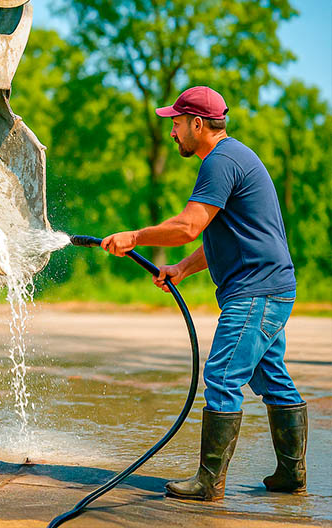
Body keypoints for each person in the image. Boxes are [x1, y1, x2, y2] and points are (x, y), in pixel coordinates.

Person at [101, 86, 307, 501]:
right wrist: (180, 269)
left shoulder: (220, 161)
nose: (173, 131)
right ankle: (292, 474)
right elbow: (221, 235)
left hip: (256, 291)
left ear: (198, 124)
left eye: (176, 123)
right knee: (271, 378)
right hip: (270, 286)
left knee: (222, 376)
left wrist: (135, 236)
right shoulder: (233, 157)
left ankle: (209, 483)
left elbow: (188, 226)